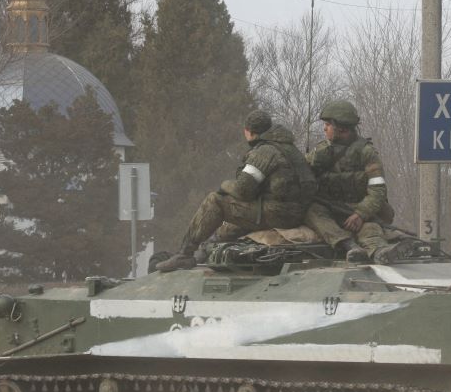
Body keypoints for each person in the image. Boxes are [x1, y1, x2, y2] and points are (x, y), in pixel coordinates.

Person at [155, 110, 316, 272]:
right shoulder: (289, 149)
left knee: (215, 201)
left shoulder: (265, 152)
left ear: (248, 131)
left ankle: (184, 255)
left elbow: (243, 190)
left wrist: (225, 186)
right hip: (296, 212)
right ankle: (204, 253)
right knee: (231, 225)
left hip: (279, 214)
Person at [305, 100, 408, 263]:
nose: (324, 129)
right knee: (311, 211)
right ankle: (350, 246)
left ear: (341, 128)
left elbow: (378, 191)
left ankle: (380, 252)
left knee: (370, 229)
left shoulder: (366, 153)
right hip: (330, 210)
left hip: (360, 209)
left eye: (327, 124)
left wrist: (360, 214)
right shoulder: (320, 151)